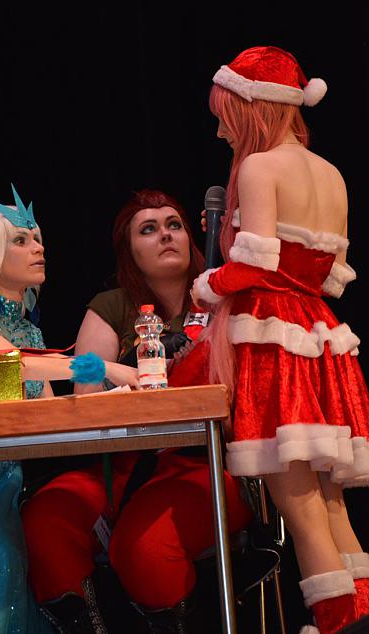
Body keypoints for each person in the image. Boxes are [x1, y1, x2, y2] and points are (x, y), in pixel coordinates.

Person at [191, 46, 369, 634]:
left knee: (303, 512)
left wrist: (207, 286)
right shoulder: (332, 174)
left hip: (275, 342)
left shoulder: (260, 168)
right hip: (319, 336)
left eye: (226, 117)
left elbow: (255, 264)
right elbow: (331, 276)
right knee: (333, 510)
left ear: (254, 108)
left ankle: (337, 624)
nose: (221, 132)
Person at [21, 188, 254, 633]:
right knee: (44, 522)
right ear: (129, 251)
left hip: (204, 463)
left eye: (174, 225)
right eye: (148, 229)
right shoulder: (112, 306)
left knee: (145, 545)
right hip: (120, 464)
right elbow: (87, 399)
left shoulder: (224, 297)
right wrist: (132, 364)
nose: (165, 235)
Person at [0, 185, 138, 634]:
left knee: (5, 585)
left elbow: (48, 419)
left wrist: (105, 402)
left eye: (38, 238)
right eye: (21, 240)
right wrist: (106, 367)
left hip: (5, 486)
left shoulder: (30, 334)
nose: (39, 248)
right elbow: (11, 366)